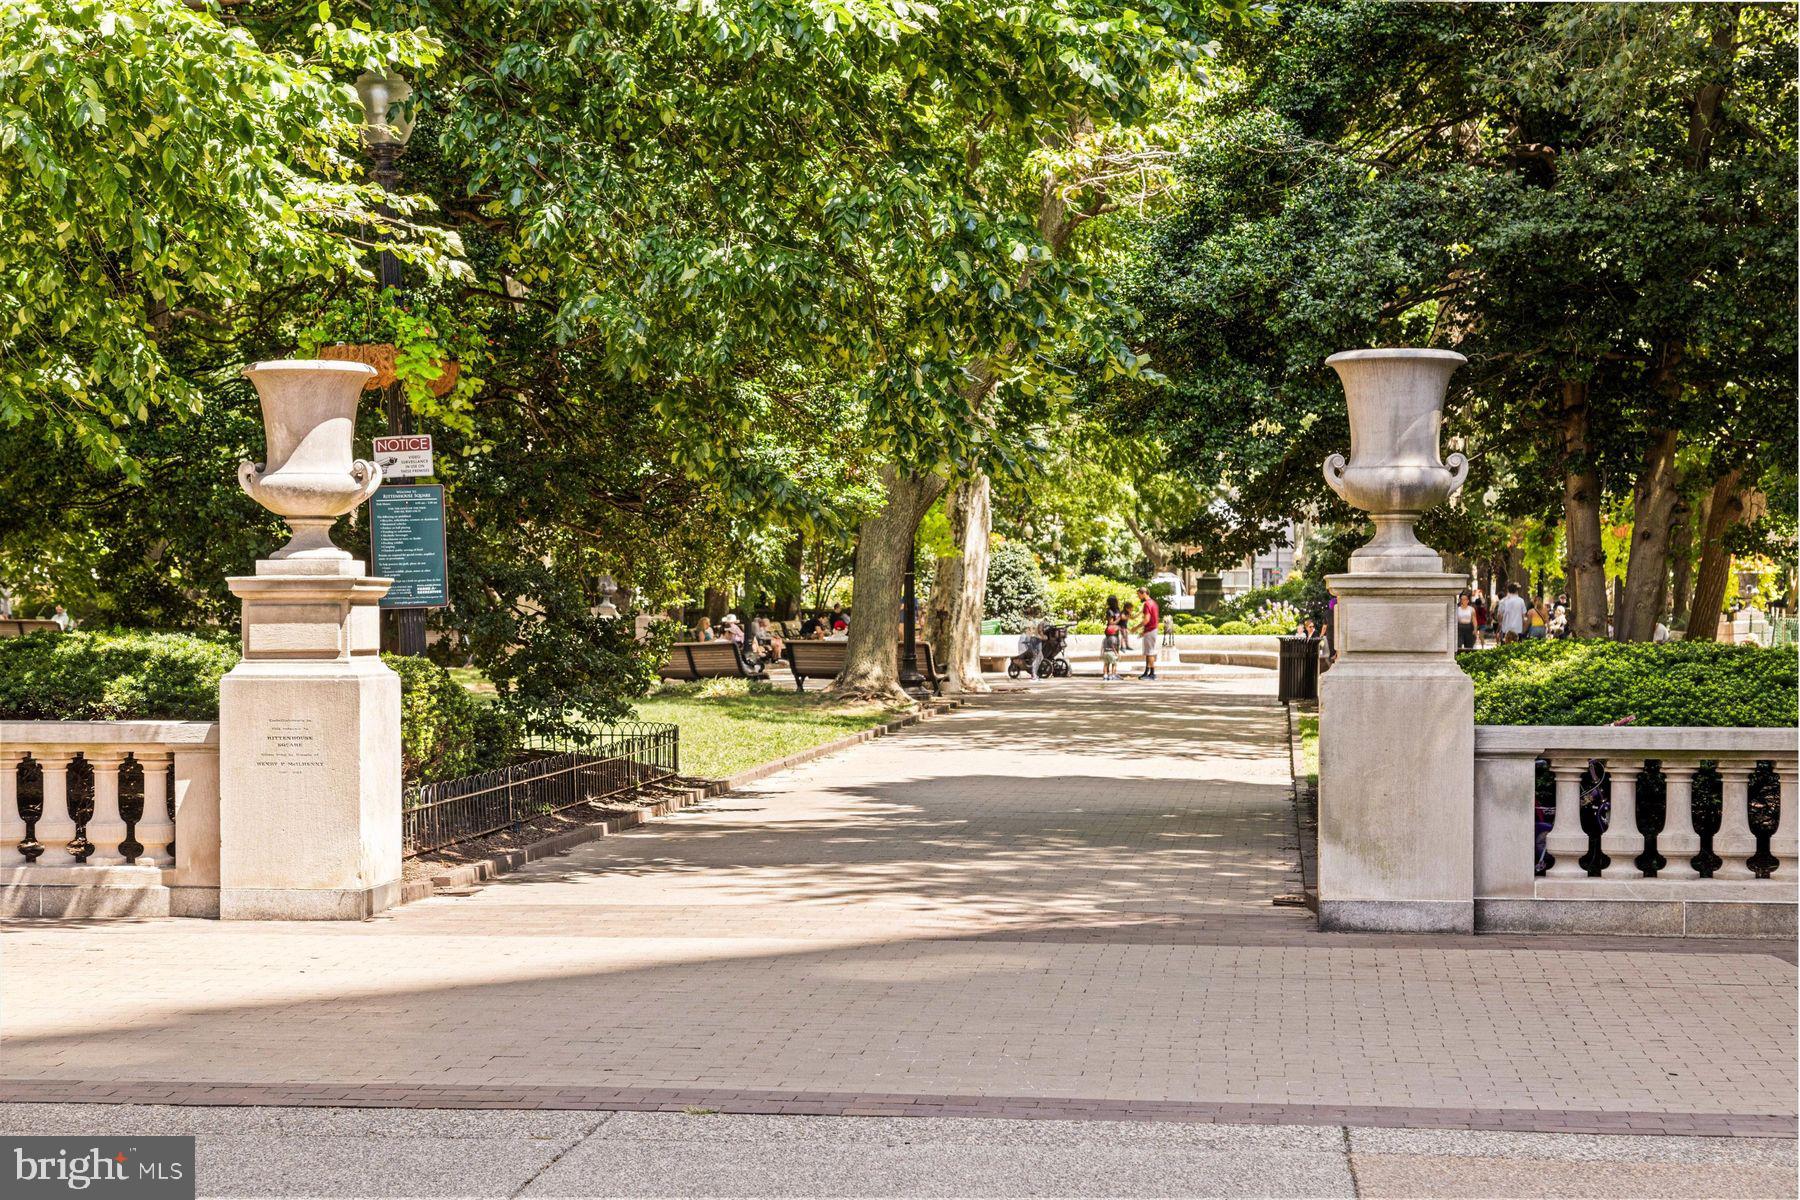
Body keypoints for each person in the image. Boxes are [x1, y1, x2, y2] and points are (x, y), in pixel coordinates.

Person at [1135, 586, 1160, 680]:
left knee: (1149, 652)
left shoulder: (1147, 604)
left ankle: (1152, 674)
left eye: (1139, 595)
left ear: (1143, 593)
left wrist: (1136, 628)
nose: (1138, 597)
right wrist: (1144, 631)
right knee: (1148, 652)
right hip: (1151, 629)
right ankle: (1147, 672)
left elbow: (1146, 620)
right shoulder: (1153, 603)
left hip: (1150, 630)